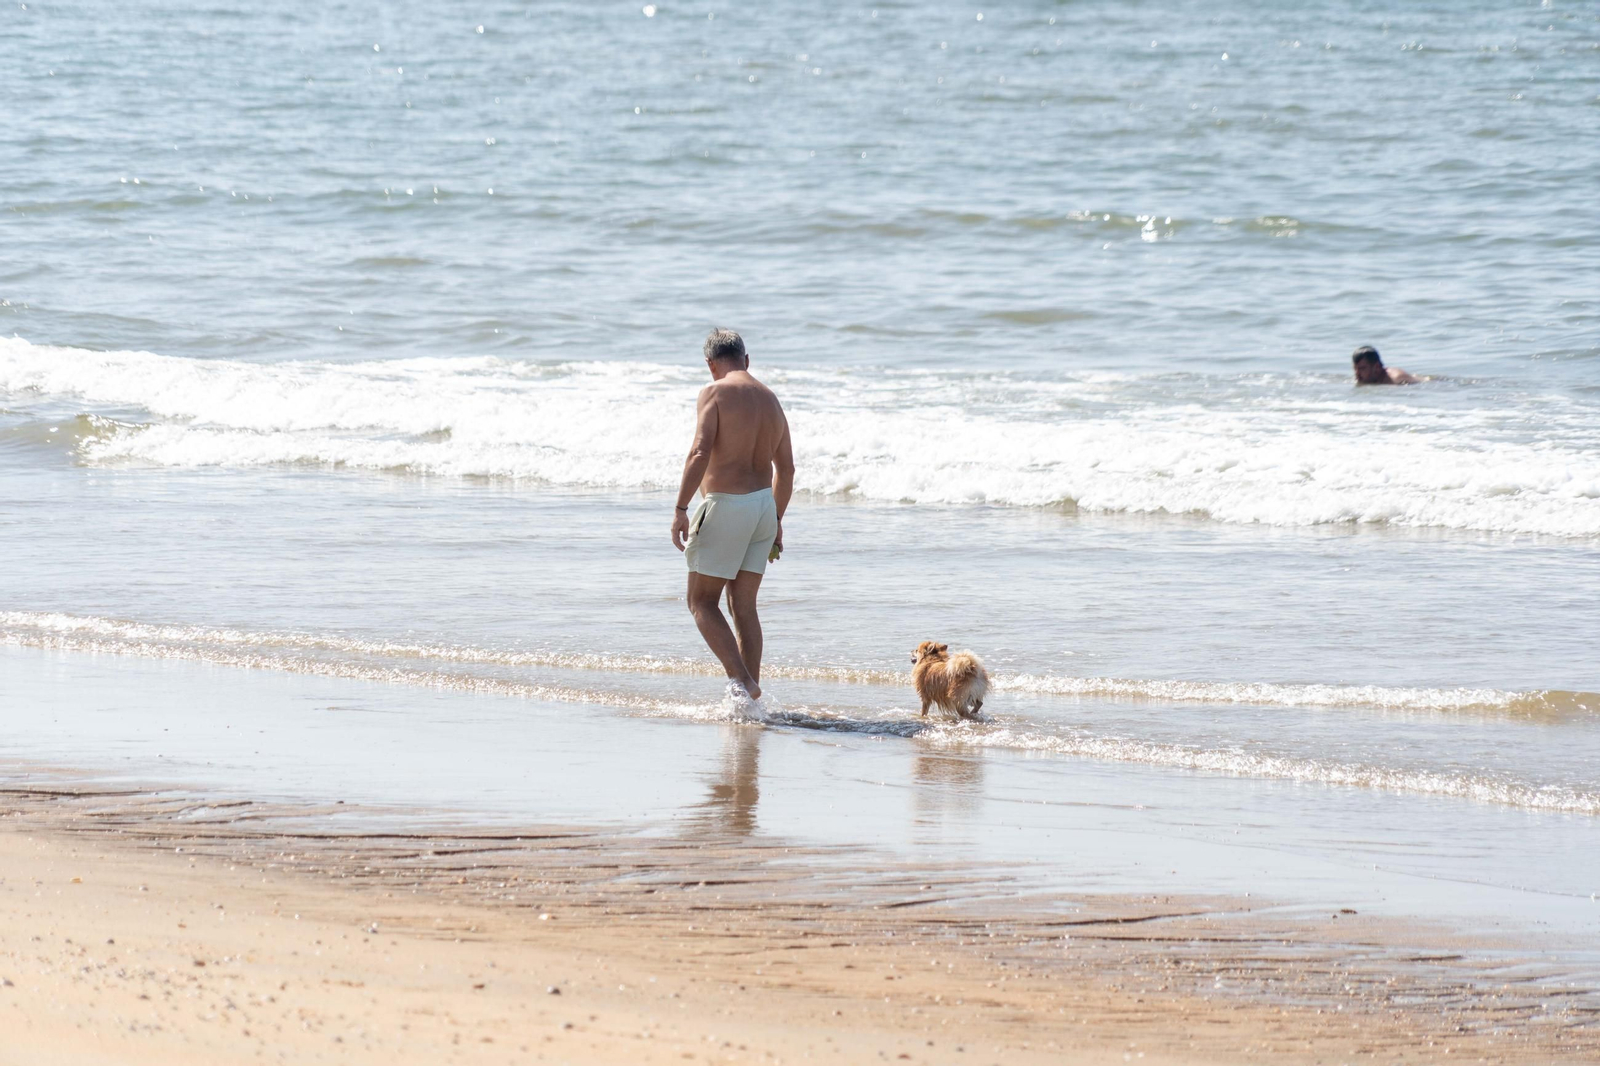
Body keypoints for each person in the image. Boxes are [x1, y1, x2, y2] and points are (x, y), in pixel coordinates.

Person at [671, 329, 795, 701]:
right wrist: (776, 520)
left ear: (711, 364)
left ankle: (743, 682)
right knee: (743, 606)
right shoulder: (771, 399)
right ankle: (747, 703)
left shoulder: (715, 392)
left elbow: (699, 452)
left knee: (701, 602)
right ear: (747, 359)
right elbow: (786, 470)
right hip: (763, 507)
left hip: (726, 505)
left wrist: (680, 508)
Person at [1351, 345, 1420, 385]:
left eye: (1362, 368)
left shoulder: (1397, 379)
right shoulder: (1367, 378)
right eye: (1355, 369)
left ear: (1377, 367)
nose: (1357, 373)